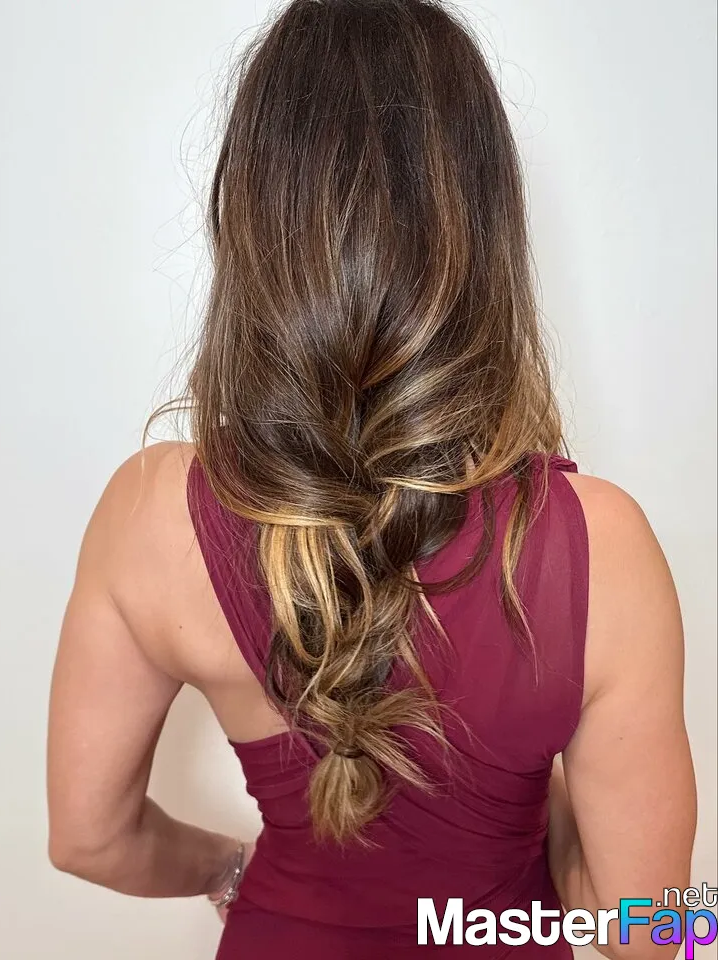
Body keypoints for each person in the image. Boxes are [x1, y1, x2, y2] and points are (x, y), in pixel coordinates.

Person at [45, 1, 697, 957]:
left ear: (252, 220)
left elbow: (87, 839)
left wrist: (227, 867)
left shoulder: (149, 515)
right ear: (485, 225)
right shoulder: (599, 547)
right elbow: (656, 932)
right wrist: (544, 779)